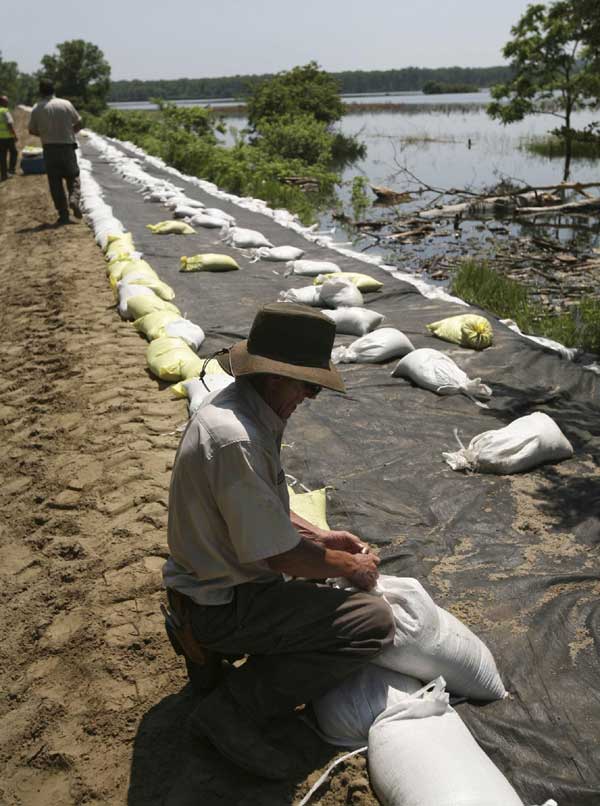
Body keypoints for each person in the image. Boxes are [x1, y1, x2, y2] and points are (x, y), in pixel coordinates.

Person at [163, 303, 395, 780]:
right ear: (274, 377)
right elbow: (277, 553)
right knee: (371, 621)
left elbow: (259, 506)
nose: (309, 397)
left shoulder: (238, 410)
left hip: (207, 585)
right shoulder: (240, 438)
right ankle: (231, 711)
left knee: (318, 582)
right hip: (224, 600)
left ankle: (204, 652)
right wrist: (349, 568)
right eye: (307, 385)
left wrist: (321, 536)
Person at [28, 79, 83, 225]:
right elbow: (79, 122)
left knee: (55, 182)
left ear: (40, 92)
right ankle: (74, 199)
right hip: (67, 147)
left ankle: (63, 215)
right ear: (54, 90)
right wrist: (70, 133)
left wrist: (46, 135)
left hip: (49, 149)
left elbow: (32, 130)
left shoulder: (37, 108)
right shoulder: (65, 104)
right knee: (73, 176)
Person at [0, 95, 18, 181]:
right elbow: (9, 124)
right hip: (8, 137)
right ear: (2, 102)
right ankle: (11, 170)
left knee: (2, 156)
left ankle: (3, 175)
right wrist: (14, 135)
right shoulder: (5, 111)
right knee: (14, 152)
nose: (7, 102)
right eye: (6, 101)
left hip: (0, 139)